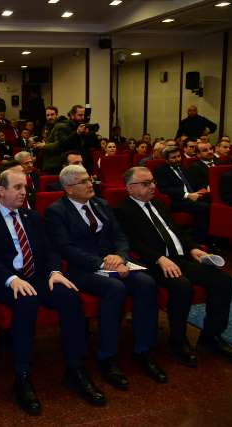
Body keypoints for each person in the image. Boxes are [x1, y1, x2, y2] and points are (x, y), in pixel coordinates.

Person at [0, 171, 105, 414]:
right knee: (27, 301)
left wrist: (55, 272)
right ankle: (22, 377)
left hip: (36, 277)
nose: (24, 192)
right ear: (1, 190)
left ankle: (75, 369)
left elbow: (50, 249)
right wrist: (12, 279)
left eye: (25, 187)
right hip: (4, 281)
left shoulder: (31, 216)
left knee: (69, 297)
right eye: (17, 187)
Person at [45, 165, 166, 390]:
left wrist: (119, 257)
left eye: (89, 179)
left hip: (113, 262)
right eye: (83, 181)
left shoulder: (102, 204)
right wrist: (102, 264)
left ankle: (143, 350)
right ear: (69, 189)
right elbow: (65, 248)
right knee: (115, 288)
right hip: (82, 270)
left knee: (146, 283)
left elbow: (120, 236)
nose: (90, 184)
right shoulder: (56, 211)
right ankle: (107, 357)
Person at [117, 167, 232, 366]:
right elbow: (133, 243)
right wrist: (159, 258)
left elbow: (177, 232)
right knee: (182, 286)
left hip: (180, 259)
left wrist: (193, 249)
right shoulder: (123, 210)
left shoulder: (158, 203)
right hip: (154, 264)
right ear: (130, 188)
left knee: (223, 280)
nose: (152, 186)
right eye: (146, 183)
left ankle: (211, 336)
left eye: (153, 182)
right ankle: (178, 342)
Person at [154, 146, 210, 243]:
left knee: (213, 203)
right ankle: (199, 241)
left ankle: (214, 237)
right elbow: (165, 189)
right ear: (166, 160)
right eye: (173, 157)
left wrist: (203, 189)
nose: (177, 159)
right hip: (176, 200)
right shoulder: (161, 170)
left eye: (179, 156)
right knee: (205, 207)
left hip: (193, 196)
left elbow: (194, 182)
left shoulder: (183, 167)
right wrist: (187, 195)